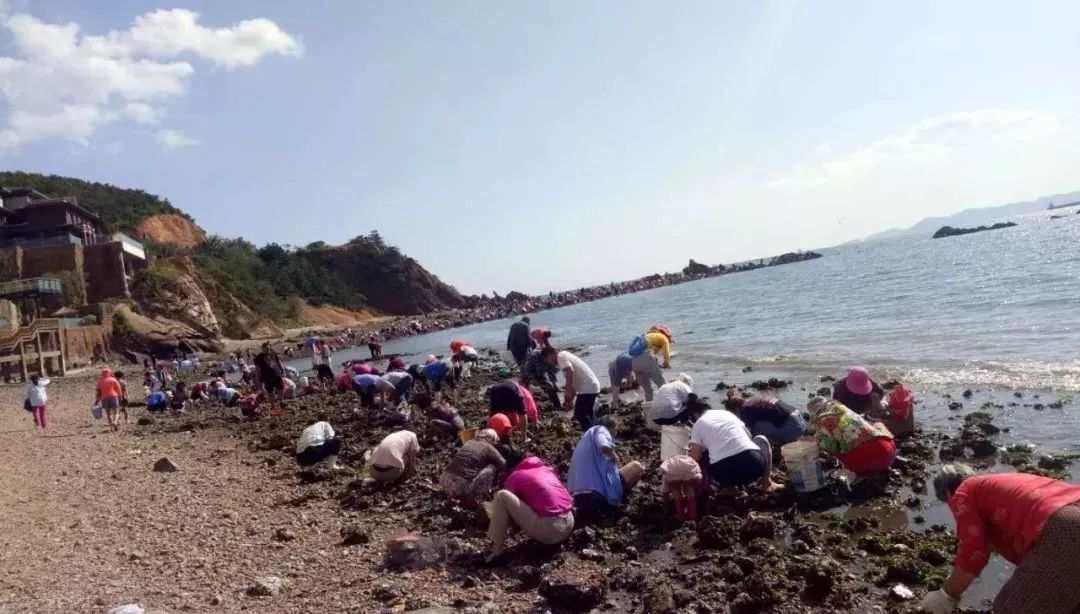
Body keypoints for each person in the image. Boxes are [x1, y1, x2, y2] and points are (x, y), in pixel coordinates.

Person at [920, 466, 1080, 614]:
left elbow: (973, 553)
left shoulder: (965, 492)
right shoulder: (996, 485)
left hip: (1066, 530)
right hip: (1071, 510)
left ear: (948, 494)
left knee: (1010, 607)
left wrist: (946, 595)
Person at [486, 455, 575, 562]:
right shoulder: (546, 469)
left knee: (502, 495)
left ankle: (496, 551)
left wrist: (511, 529)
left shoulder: (515, 476)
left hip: (552, 530)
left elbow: (508, 508)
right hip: (570, 522)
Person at [689, 402, 783, 492]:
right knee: (761, 438)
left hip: (722, 476)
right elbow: (749, 436)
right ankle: (767, 483)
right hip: (754, 467)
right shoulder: (727, 414)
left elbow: (695, 458)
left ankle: (729, 488)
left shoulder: (698, 424)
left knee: (704, 452)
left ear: (696, 414)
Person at [566, 416, 645, 514]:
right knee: (637, 467)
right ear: (612, 429)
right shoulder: (600, 430)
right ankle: (616, 503)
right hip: (594, 496)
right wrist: (614, 456)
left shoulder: (586, 439)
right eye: (616, 431)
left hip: (577, 498)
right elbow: (603, 445)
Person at [807, 396, 896, 475]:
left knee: (838, 448)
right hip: (889, 454)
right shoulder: (841, 407)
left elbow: (833, 449)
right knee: (877, 425)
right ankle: (884, 463)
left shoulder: (820, 423)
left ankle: (872, 467)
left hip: (864, 466)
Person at [439, 429, 506, 508]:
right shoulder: (489, 448)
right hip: (460, 485)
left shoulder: (469, 442)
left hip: (444, 480)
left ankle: (451, 496)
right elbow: (503, 463)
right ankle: (472, 499)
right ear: (492, 439)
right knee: (492, 467)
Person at [544, 347, 601, 430]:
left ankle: (590, 434)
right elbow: (572, 383)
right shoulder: (565, 355)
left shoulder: (560, 356)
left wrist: (567, 391)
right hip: (590, 386)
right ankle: (595, 433)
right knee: (588, 415)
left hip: (587, 388)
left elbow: (570, 371)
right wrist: (569, 400)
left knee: (580, 414)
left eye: (547, 360)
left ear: (550, 354)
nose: (550, 363)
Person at [725, 389, 807, 445]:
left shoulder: (744, 410)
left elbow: (751, 435)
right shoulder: (751, 400)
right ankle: (779, 441)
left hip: (794, 428)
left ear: (735, 410)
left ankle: (774, 443)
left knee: (753, 429)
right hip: (800, 419)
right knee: (762, 419)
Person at [629, 331, 668, 402]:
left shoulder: (645, 337)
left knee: (648, 391)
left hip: (634, 362)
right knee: (663, 385)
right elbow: (666, 354)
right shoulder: (663, 338)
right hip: (647, 358)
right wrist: (666, 364)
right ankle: (668, 404)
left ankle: (649, 406)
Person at [488, 380, 529, 446]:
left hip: (494, 389)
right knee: (521, 412)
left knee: (494, 413)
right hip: (510, 390)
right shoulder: (526, 393)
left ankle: (491, 434)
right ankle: (524, 438)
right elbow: (523, 413)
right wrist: (524, 436)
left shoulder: (517, 387)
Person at [253, 342, 285, 415]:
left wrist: (282, 369)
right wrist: (257, 380)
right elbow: (257, 370)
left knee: (281, 388)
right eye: (266, 349)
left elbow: (278, 362)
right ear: (262, 349)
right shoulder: (258, 358)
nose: (268, 350)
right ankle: (273, 406)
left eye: (269, 349)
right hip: (267, 376)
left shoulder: (273, 353)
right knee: (270, 392)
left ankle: (281, 402)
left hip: (276, 374)